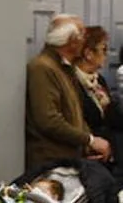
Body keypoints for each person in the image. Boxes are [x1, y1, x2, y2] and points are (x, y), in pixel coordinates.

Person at [26, 14, 107, 171]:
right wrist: (89, 140)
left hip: (68, 159)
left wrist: (88, 143)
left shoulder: (65, 69)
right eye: (82, 34)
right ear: (71, 40)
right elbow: (49, 120)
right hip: (51, 162)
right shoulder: (43, 68)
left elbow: (75, 114)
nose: (85, 40)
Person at [73, 26, 123, 171]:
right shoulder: (73, 81)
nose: (106, 55)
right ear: (89, 54)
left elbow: (112, 118)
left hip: (110, 154)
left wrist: (108, 105)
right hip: (88, 156)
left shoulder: (98, 80)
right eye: (103, 50)